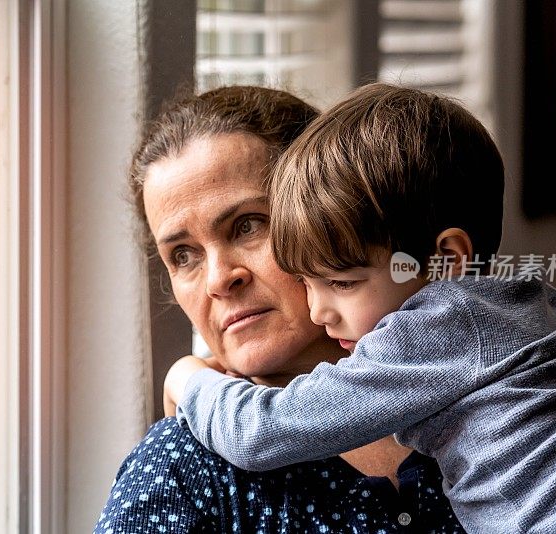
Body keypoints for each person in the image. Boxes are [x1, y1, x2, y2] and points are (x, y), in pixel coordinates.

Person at [165, 83, 556, 533]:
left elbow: (260, 433)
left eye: (343, 282)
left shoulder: (436, 331)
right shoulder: (525, 304)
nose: (320, 310)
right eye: (306, 282)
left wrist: (187, 379)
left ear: (447, 260)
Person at [94, 86, 465, 533]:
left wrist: (185, 379)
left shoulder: (487, 394)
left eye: (248, 225)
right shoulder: (182, 466)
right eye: (183, 255)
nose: (218, 279)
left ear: (329, 214)